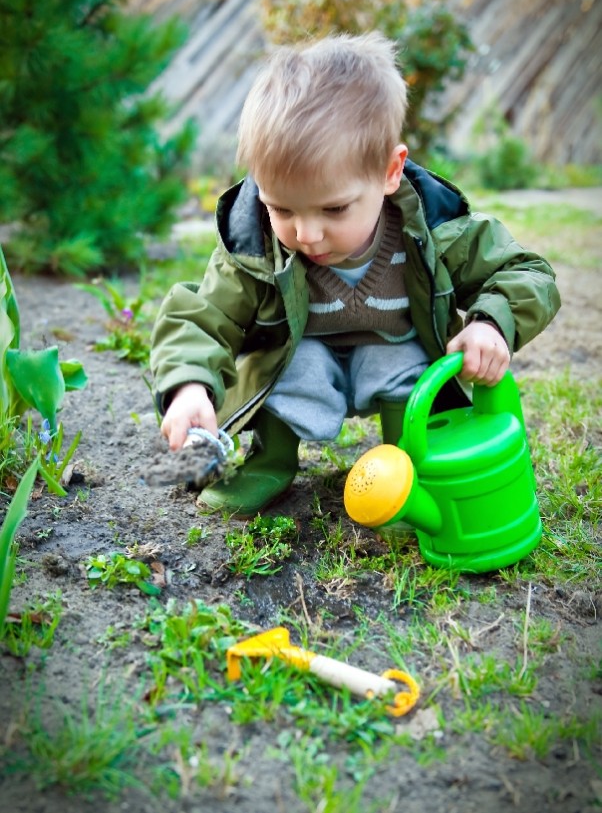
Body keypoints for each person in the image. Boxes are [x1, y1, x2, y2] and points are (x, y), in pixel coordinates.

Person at [150, 32, 560, 518]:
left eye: (334, 209)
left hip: (390, 354)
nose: (307, 234)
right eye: (281, 207)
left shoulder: (433, 228)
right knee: (291, 364)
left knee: (406, 362)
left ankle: (406, 464)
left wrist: (491, 322)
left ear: (390, 171)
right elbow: (201, 316)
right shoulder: (257, 244)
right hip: (303, 359)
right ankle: (271, 461)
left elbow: (526, 271)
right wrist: (189, 384)